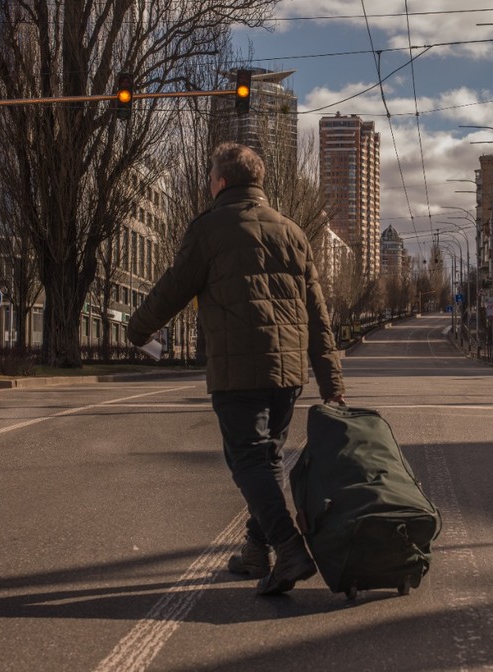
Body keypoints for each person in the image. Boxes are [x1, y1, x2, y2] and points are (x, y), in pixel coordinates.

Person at [127, 142, 345, 595]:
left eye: (210, 178)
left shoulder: (210, 228)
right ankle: (254, 551)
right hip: (287, 373)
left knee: (248, 460)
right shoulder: (292, 232)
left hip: (237, 370)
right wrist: (331, 383)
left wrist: (137, 330)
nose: (208, 184)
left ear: (221, 182)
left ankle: (288, 548)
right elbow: (318, 314)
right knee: (268, 460)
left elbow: (173, 288)